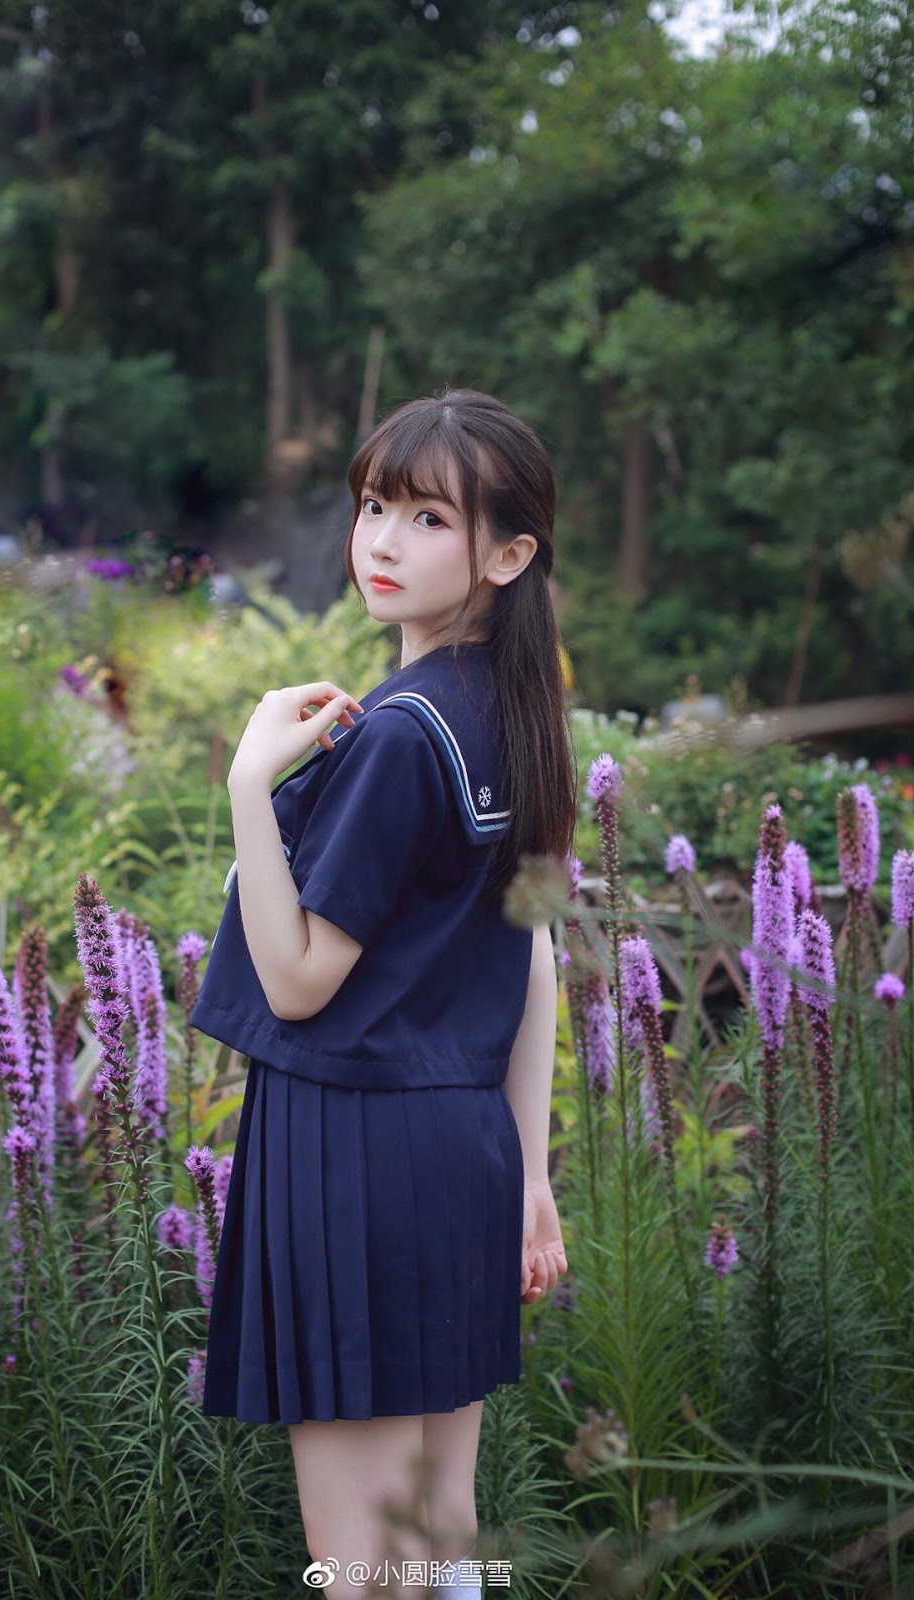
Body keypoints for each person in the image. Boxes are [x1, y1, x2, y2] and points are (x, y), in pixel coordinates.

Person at [189, 388, 576, 1600]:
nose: (382, 542)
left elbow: (299, 980)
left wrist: (249, 788)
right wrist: (527, 1173)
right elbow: (533, 955)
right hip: (458, 1155)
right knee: (437, 1543)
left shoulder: (402, 734)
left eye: (427, 518)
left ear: (507, 555)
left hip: (351, 1154)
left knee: (362, 1567)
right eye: (372, 507)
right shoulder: (512, 718)